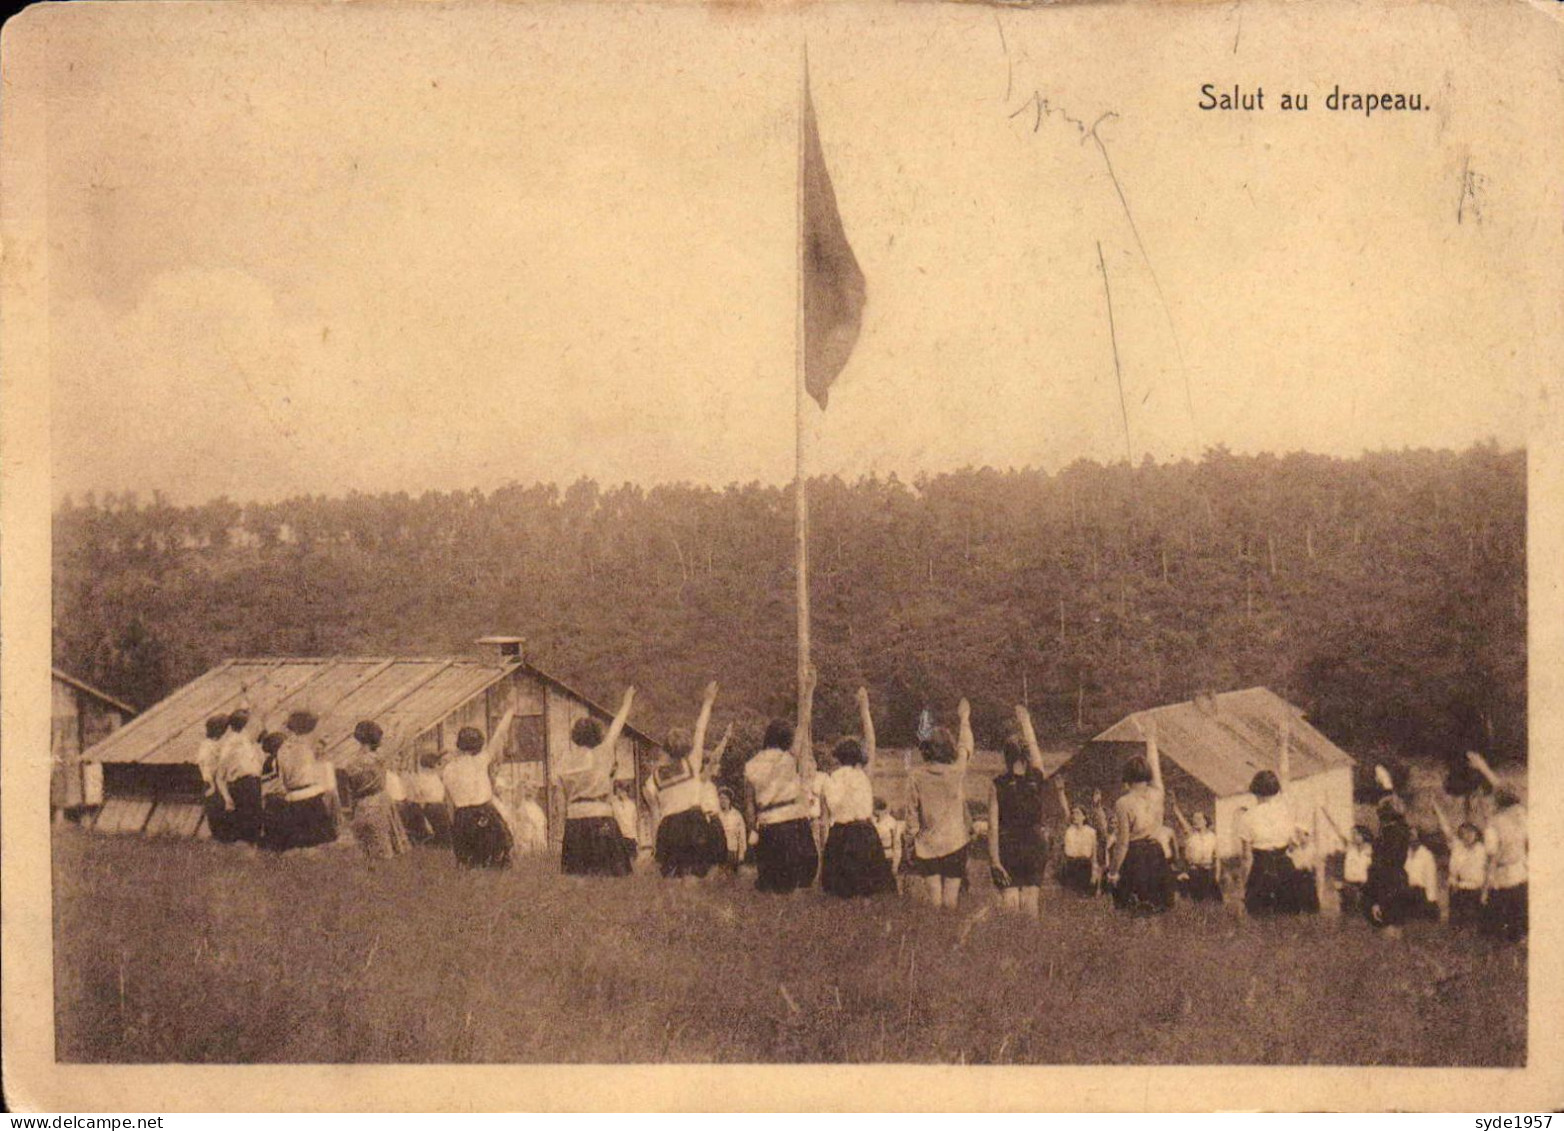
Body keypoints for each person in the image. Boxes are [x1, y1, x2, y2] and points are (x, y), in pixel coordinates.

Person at [743, 666, 820, 894]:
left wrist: (752, 830)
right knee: (799, 883)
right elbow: (803, 724)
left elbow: (749, 805)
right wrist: (809, 692)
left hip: (768, 825)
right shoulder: (789, 758)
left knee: (774, 884)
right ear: (786, 740)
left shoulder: (751, 765)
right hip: (794, 822)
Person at [819, 687, 897, 898]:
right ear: (858, 756)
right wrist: (865, 708)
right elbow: (871, 741)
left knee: (841, 892)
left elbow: (826, 815)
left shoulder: (830, 778)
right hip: (864, 832)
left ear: (837, 757)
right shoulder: (863, 774)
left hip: (840, 834)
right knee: (868, 890)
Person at [644, 681, 720, 881]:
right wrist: (707, 702)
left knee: (672, 880)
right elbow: (700, 729)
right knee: (693, 877)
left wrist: (655, 845)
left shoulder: (654, 778)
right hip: (693, 822)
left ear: (666, 749)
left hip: (668, 827)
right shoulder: (692, 763)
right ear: (687, 747)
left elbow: (655, 815)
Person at [557, 687, 637, 877]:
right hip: (600, 815)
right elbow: (617, 727)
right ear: (598, 735)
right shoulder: (603, 752)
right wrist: (627, 702)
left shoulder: (564, 760)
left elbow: (561, 800)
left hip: (574, 819)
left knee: (578, 876)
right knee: (609, 874)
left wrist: (562, 831)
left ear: (575, 736)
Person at [906, 698, 974, 909]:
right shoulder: (956, 771)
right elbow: (966, 746)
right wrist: (964, 719)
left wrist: (910, 841)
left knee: (934, 899)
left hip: (927, 844)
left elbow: (911, 814)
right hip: (955, 841)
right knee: (950, 899)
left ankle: (934, 936)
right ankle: (948, 936)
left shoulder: (915, 776)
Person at [987, 704, 1051, 917]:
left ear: (1006, 756)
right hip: (1035, 842)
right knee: (1031, 903)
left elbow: (993, 827)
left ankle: (1012, 947)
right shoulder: (1037, 777)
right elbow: (1035, 750)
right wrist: (1026, 722)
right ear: (1026, 755)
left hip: (1009, 845)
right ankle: (1032, 946)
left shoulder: (997, 784)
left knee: (1010, 904)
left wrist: (995, 861)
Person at [1107, 714, 1174, 914]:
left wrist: (1113, 871)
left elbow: (1123, 842)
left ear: (1126, 777)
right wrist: (1151, 739)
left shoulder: (1123, 803)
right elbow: (1157, 770)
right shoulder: (1157, 794)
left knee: (1134, 912)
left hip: (1135, 856)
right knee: (1156, 910)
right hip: (1156, 853)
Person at [441, 706, 519, 869]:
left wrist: (454, 822)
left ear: (459, 746)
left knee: (469, 862)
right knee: (495, 859)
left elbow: (448, 801)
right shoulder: (479, 761)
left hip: (461, 816)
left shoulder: (447, 769)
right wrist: (509, 713)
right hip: (483, 813)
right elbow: (498, 737)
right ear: (478, 746)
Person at [1467, 751, 1527, 942]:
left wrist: (1485, 889)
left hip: (1502, 880)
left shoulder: (1494, 824)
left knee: (1496, 932)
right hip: (1520, 874)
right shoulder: (1519, 813)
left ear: (1495, 801)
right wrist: (1484, 767)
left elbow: (1492, 859)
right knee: (1519, 929)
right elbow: (1505, 790)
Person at [342, 720, 411, 860]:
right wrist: (401, 727)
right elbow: (398, 742)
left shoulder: (350, 763)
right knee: (383, 847)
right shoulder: (378, 758)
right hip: (380, 802)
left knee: (365, 849)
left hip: (360, 805)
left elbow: (349, 790)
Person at [271, 710, 339, 851]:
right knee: (319, 846)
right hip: (311, 799)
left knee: (298, 847)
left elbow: (281, 776)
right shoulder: (307, 747)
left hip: (292, 798)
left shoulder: (283, 748)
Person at [1364, 766, 1415, 934]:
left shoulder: (1389, 833)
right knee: (1394, 925)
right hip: (1398, 879)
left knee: (1387, 925)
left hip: (1387, 880)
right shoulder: (1402, 828)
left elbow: (1383, 862)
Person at [214, 705, 265, 845]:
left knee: (255, 824)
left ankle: (251, 850)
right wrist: (227, 797)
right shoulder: (231, 744)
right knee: (245, 827)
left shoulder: (247, 742)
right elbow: (220, 775)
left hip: (253, 784)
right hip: (242, 786)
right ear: (245, 726)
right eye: (250, 724)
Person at [1435, 801, 1486, 929]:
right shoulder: (1458, 846)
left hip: (1476, 891)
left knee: (1473, 925)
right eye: (1465, 832)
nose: (1468, 836)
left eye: (1471, 832)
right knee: (1456, 926)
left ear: (1476, 834)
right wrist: (1437, 809)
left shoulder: (1482, 849)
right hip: (1458, 890)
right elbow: (1445, 828)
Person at [1171, 794, 1222, 902]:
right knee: (1196, 900)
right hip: (1194, 872)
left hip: (1208, 872)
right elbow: (1181, 820)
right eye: (1194, 818)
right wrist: (1175, 807)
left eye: (1199, 818)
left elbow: (1217, 859)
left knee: (1215, 901)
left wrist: (1217, 876)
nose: (1195, 820)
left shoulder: (1213, 837)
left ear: (1205, 821)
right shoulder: (1191, 835)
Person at [1055, 782, 1099, 896]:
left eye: (1078, 813)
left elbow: (1094, 856)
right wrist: (1061, 792)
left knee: (1084, 896)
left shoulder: (1091, 832)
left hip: (1085, 866)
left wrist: (1094, 873)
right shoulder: (1069, 829)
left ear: (1084, 817)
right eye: (1073, 813)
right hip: (1070, 865)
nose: (1075, 816)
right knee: (1071, 895)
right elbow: (1065, 809)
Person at [403, 749, 451, 846]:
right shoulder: (423, 778)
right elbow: (417, 796)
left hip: (438, 805)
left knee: (445, 830)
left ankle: (439, 841)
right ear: (430, 766)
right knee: (443, 830)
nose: (438, 766)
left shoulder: (434, 776)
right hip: (432, 806)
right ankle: (437, 842)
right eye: (436, 764)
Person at [197, 714, 231, 840]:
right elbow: (205, 766)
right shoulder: (207, 745)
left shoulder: (217, 744)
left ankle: (223, 838)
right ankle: (219, 837)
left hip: (219, 781)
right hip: (212, 782)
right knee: (217, 812)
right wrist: (210, 784)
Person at [1338, 824, 1374, 917]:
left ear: (1364, 835)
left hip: (1365, 889)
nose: (1353, 837)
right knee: (1348, 916)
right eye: (1352, 834)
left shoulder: (1372, 851)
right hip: (1349, 887)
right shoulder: (1350, 850)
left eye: (1355, 834)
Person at [1404, 829, 1440, 921]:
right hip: (1406, 893)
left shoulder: (1427, 855)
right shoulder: (1404, 853)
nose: (1410, 838)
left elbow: (1430, 878)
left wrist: (1431, 899)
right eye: (1409, 836)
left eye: (1413, 836)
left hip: (1421, 894)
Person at [871, 799, 905, 892]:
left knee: (886, 888)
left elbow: (897, 844)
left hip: (887, 858)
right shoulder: (872, 821)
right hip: (874, 858)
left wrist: (895, 864)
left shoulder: (891, 822)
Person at [611, 781, 641, 869]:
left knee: (632, 861)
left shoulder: (632, 805)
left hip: (631, 836)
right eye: (618, 791)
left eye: (622, 791)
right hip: (620, 836)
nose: (621, 794)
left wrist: (638, 839)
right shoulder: (615, 804)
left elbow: (635, 822)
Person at [717, 788, 747, 874]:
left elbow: (742, 835)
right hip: (720, 851)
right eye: (720, 798)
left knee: (732, 877)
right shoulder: (717, 815)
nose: (722, 801)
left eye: (725, 798)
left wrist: (742, 853)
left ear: (730, 800)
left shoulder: (736, 815)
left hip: (733, 850)